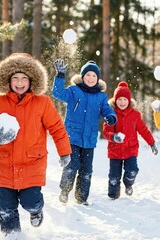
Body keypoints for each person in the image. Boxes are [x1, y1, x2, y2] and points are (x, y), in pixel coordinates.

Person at [0, 53, 72, 236]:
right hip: (5, 163)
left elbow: (57, 128)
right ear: (7, 80)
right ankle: (12, 235)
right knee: (5, 208)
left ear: (32, 80)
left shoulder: (42, 102)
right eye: (15, 78)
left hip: (32, 163)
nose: (19, 83)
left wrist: (64, 152)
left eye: (24, 78)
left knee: (31, 201)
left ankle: (36, 210)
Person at [52, 59, 117, 205]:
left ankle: (82, 198)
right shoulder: (74, 91)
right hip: (72, 137)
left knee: (86, 171)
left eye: (94, 76)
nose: (91, 78)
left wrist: (111, 116)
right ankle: (64, 191)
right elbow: (57, 93)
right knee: (71, 166)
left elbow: (106, 109)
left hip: (89, 139)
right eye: (88, 75)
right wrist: (60, 75)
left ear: (98, 79)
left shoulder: (100, 96)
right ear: (82, 76)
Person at [103, 81, 158, 199]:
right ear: (115, 100)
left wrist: (152, 143)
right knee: (113, 177)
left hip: (130, 150)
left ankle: (128, 184)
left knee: (132, 170)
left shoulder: (135, 115)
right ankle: (113, 196)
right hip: (115, 151)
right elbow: (106, 131)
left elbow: (143, 130)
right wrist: (113, 136)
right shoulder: (111, 114)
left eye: (124, 99)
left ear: (129, 101)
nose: (122, 102)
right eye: (119, 99)